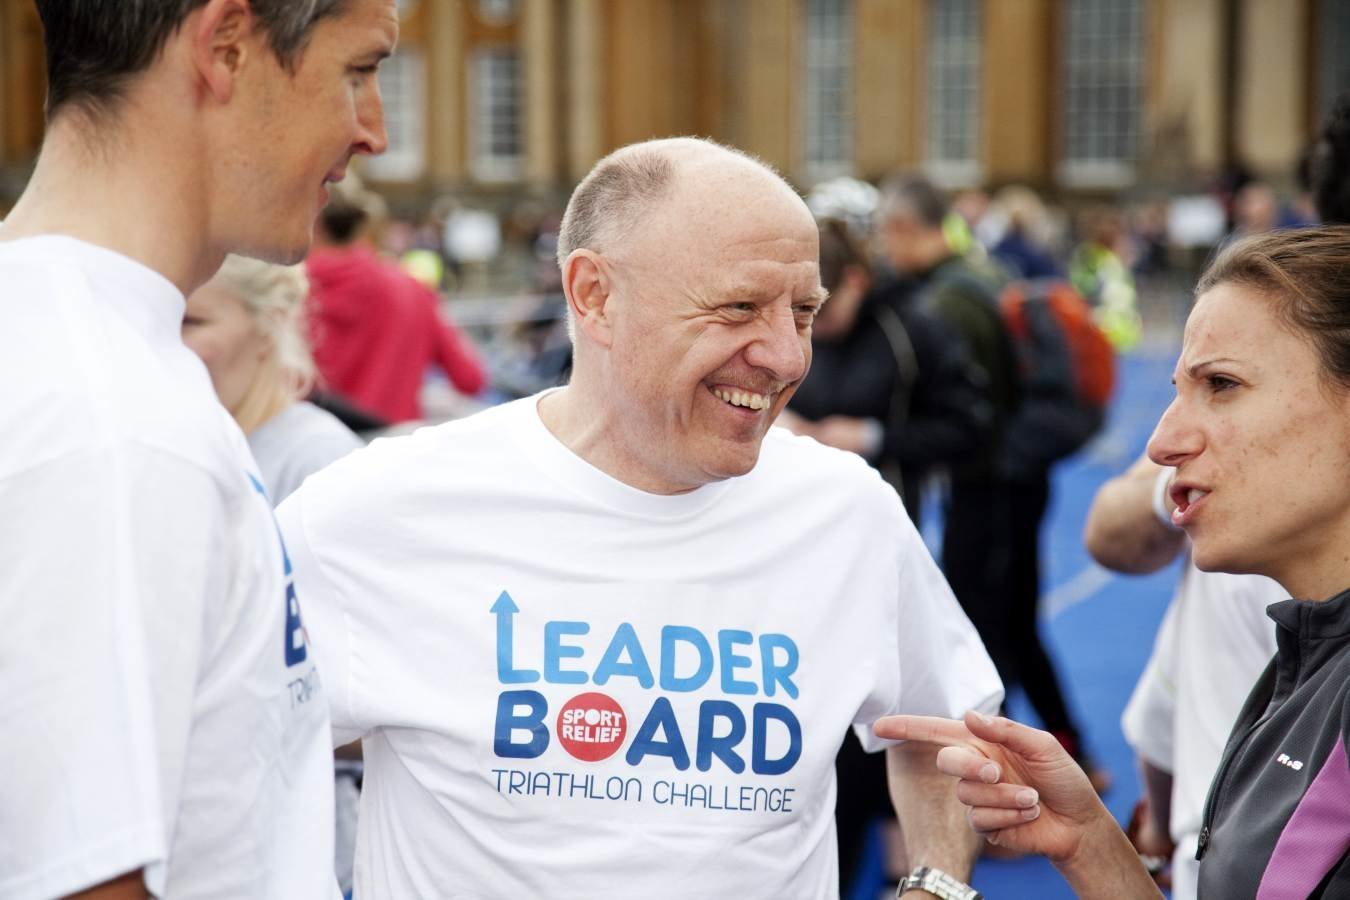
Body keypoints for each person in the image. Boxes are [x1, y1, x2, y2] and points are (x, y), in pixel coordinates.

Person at [276, 137, 1003, 899]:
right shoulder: (380, 511)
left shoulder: (846, 513)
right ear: (595, 296)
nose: (788, 358)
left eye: (804, 312)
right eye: (739, 308)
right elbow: (220, 758)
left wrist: (933, 886)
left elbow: (947, 729)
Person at [0, 1, 396, 897]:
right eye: (358, 71)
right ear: (227, 46)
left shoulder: (97, 360)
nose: (373, 130)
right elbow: (79, 877)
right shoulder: (109, 419)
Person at [879, 226, 1350, 898]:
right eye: (1180, 390)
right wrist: (1089, 843)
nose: (1163, 441)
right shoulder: (1301, 653)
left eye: (1221, 384)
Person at [875, 174, 1105, 788]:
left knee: (982, 633)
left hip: (993, 483)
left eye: (885, 237)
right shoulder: (981, 273)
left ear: (904, 228)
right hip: (1018, 476)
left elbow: (965, 416)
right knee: (1017, 622)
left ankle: (1001, 776)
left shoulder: (948, 302)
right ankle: (1074, 753)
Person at [1083, 454, 1281, 898]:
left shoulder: (1231, 549)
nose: (1163, 443)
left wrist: (1145, 838)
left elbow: (1158, 731)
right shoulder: (1221, 550)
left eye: (1221, 384)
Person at [184, 255, 362, 504]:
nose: (167, 341)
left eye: (190, 322)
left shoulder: (318, 458)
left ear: (270, 322)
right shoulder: (183, 446)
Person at [305, 188, 487, 423]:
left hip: (311, 442)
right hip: (392, 438)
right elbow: (470, 378)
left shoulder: (284, 294)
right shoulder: (412, 289)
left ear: (316, 223)